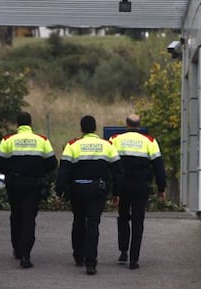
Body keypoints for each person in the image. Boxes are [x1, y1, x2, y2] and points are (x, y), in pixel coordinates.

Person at [55, 115, 123, 275]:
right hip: (97, 190)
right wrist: (116, 192)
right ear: (95, 128)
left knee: (78, 221)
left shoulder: (72, 145)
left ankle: (78, 256)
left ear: (81, 129)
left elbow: (63, 170)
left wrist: (59, 191)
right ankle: (91, 263)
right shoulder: (107, 145)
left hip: (77, 189)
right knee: (93, 225)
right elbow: (118, 171)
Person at [0, 111, 57, 269]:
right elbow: (52, 164)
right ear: (30, 124)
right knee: (29, 218)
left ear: (17, 124)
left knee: (16, 215)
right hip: (33, 184)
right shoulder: (42, 140)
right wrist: (39, 169)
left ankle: (17, 248)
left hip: (14, 183)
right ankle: (25, 256)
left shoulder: (7, 140)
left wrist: (10, 169)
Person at [109, 114, 166, 270]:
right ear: (139, 125)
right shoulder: (150, 141)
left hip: (123, 186)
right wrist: (161, 188)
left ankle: (123, 250)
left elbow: (110, 164)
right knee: (138, 222)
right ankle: (134, 260)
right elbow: (159, 167)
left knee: (123, 217)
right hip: (141, 187)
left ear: (127, 124)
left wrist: (113, 190)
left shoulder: (115, 139)